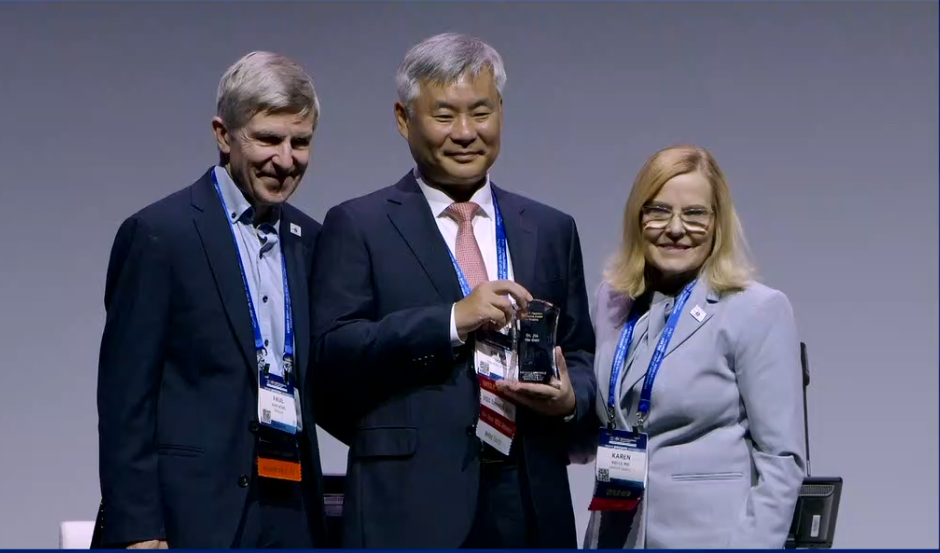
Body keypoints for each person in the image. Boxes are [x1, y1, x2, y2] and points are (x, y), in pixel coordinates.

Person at [309, 32, 596, 548]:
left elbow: (578, 352)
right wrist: (451, 321)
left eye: (481, 112)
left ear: (501, 111)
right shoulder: (358, 224)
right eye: (444, 116)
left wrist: (572, 398)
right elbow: (332, 353)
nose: (465, 133)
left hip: (531, 499)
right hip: (409, 501)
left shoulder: (551, 228)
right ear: (404, 119)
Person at [96, 51, 327, 549]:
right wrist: (138, 527)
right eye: (268, 139)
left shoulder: (312, 241)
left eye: (300, 142)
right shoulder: (160, 235)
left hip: (291, 512)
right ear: (224, 135)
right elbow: (125, 399)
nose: (286, 160)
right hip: (189, 517)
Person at [579, 145, 806, 549]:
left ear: (718, 222)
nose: (676, 228)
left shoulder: (756, 310)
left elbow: (782, 461)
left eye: (695, 214)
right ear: (637, 217)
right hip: (613, 535)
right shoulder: (610, 301)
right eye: (658, 211)